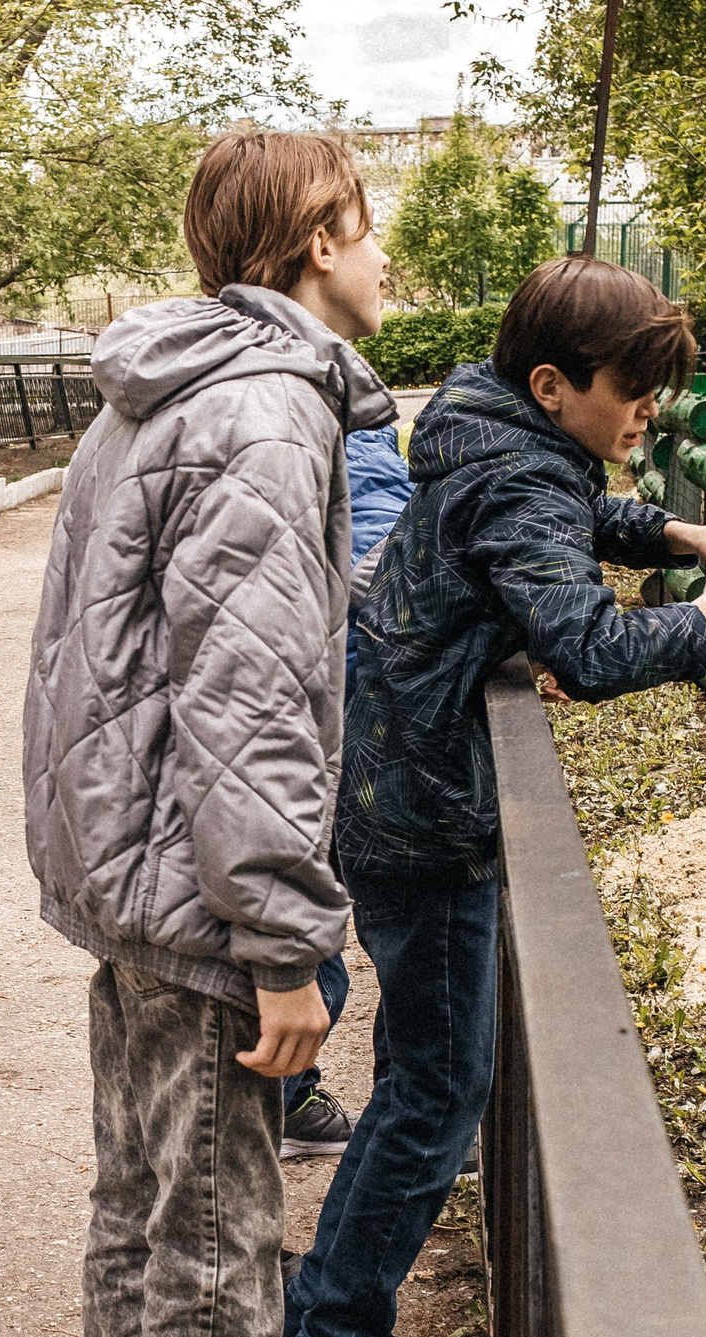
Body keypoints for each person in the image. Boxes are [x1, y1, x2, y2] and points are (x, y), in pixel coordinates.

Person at [274, 255, 706, 1337]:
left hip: (394, 785)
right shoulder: (520, 475)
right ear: (555, 385)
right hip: (426, 816)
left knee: (422, 1075)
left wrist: (679, 532)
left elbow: (566, 517)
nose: (646, 415)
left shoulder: (486, 429)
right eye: (634, 394)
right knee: (435, 1091)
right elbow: (588, 646)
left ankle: (319, 1308)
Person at [23, 129, 397, 1337]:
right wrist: (289, 937)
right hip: (194, 888)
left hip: (128, 870)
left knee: (138, 1200)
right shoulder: (260, 412)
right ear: (314, 242)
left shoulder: (171, 390)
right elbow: (246, 703)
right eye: (371, 230)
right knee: (220, 1233)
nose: (387, 260)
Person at [278, 423, 417, 1162]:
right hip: (345, 724)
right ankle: (280, 1096)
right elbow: (385, 577)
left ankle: (288, 1096)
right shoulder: (342, 438)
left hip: (321, 716)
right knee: (313, 931)